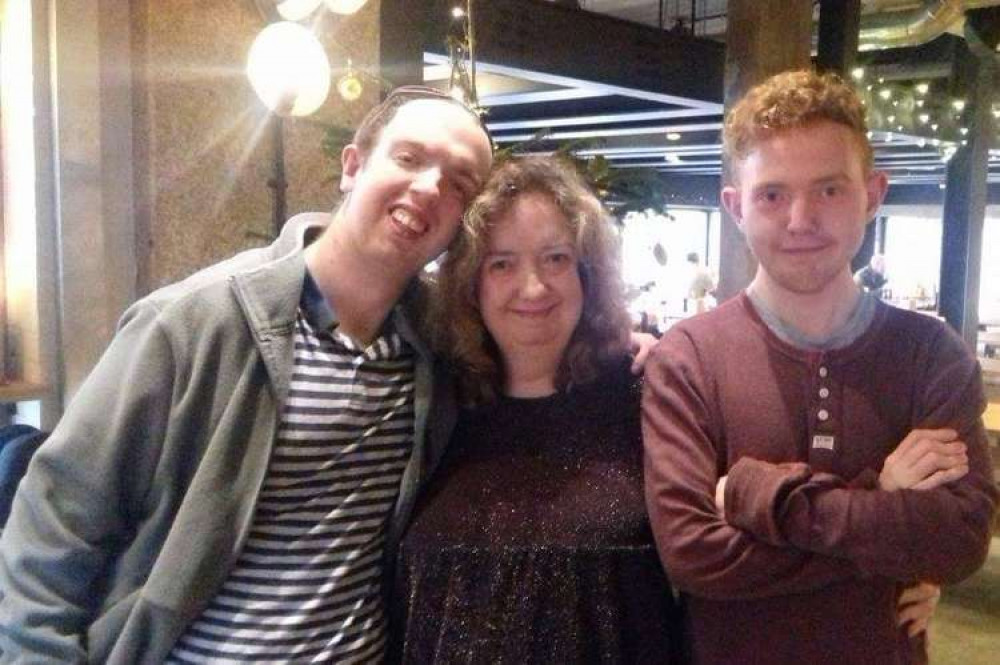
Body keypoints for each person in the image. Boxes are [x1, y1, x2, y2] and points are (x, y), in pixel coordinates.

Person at [0, 86, 493, 663]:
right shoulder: (192, 322)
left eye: (459, 184)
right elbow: (55, 525)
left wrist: (624, 347)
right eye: (409, 158)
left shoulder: (437, 348)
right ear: (352, 166)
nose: (431, 187)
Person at [642, 70, 997, 665]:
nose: (800, 219)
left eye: (829, 190)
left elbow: (957, 540)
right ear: (736, 206)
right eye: (772, 194)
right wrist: (880, 501)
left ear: (874, 194)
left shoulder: (932, 355)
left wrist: (759, 499)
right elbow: (694, 553)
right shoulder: (688, 357)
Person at [390, 156, 681, 663]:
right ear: (471, 284)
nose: (533, 287)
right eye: (502, 263)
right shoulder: (428, 405)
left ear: (588, 275)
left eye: (556, 259)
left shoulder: (645, 396)